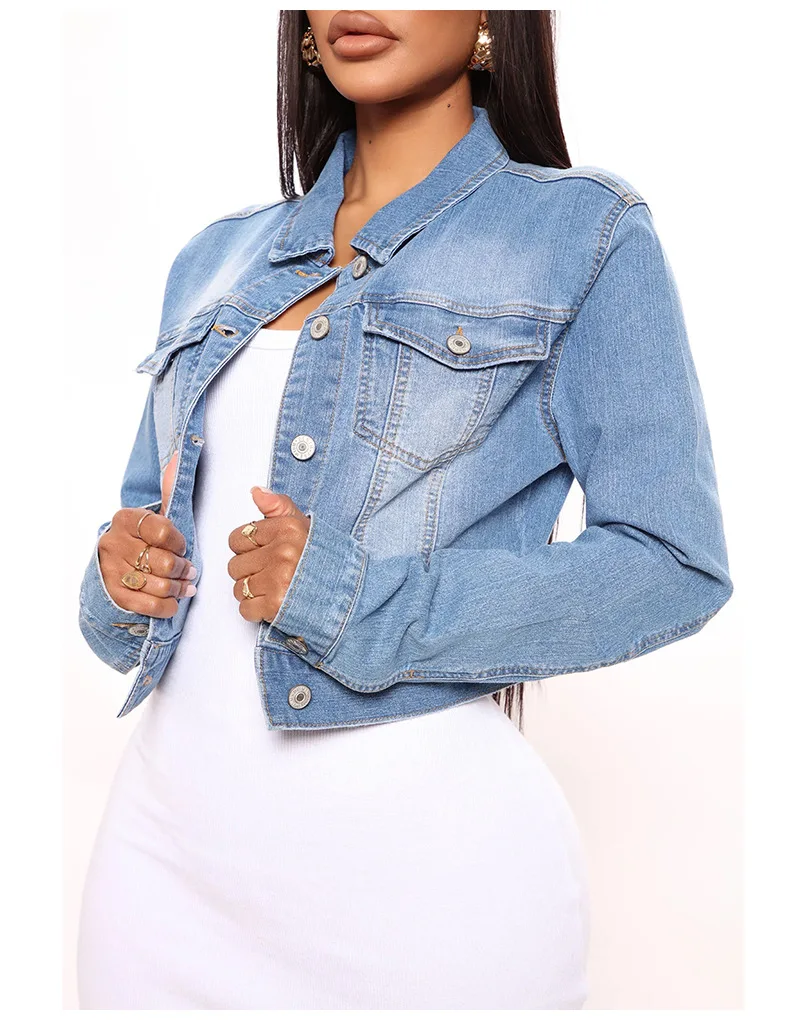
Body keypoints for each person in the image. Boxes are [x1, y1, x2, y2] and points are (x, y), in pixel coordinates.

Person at [75, 10, 733, 1009]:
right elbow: (142, 537)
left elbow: (672, 564)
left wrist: (352, 599)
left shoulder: (582, 233)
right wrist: (120, 579)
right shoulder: (214, 257)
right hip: (162, 871)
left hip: (425, 886)